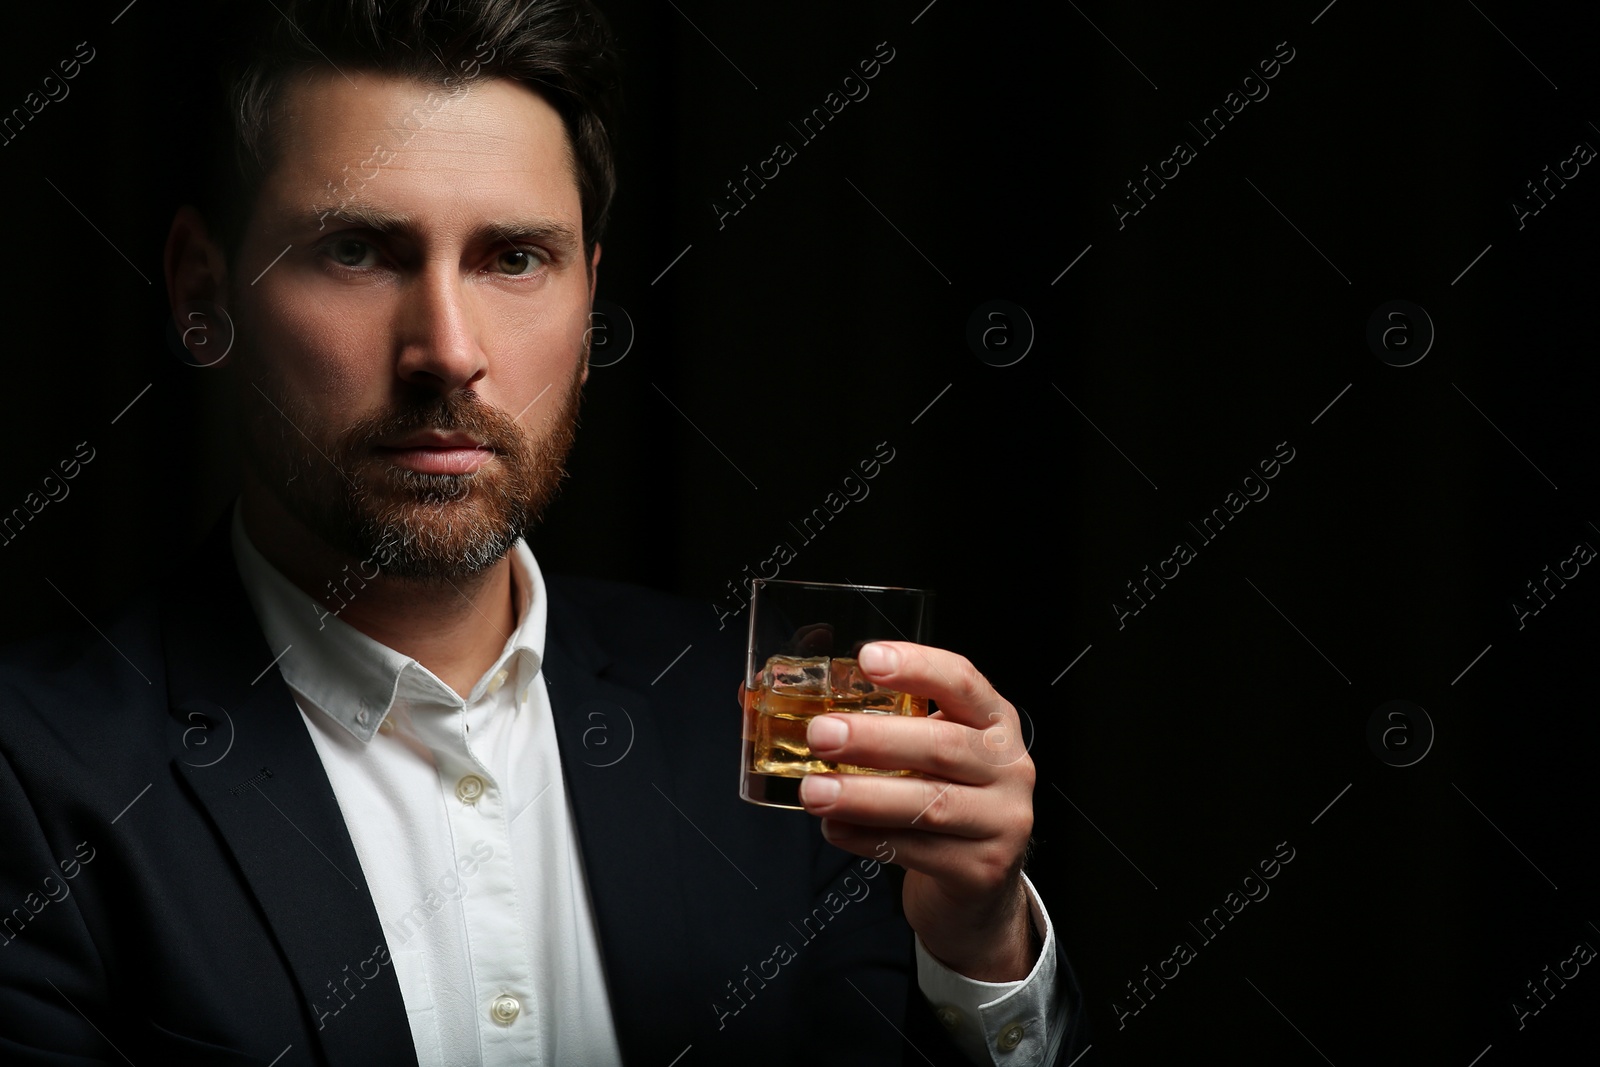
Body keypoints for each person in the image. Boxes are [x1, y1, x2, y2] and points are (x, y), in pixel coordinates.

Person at [0, 1, 1087, 1062]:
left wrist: (979, 944)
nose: (448, 349)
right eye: (358, 252)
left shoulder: (758, 729)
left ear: (589, 297)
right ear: (203, 290)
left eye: (513, 257)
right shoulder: (36, 779)